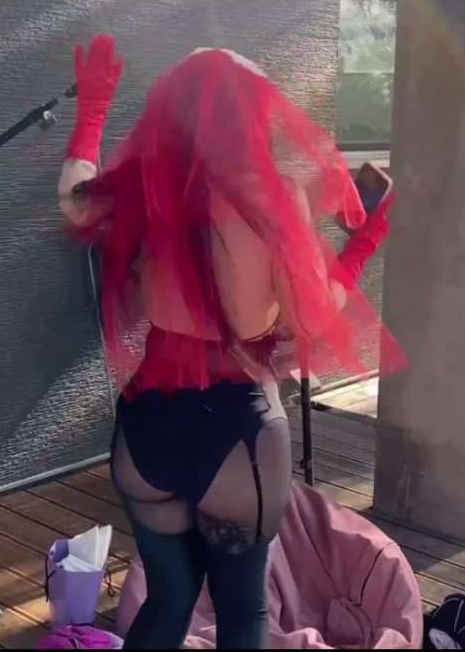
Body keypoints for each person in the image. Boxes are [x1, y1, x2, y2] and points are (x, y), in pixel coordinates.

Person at [58, 36, 398, 649]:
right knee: (245, 614)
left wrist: (93, 112)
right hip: (238, 433)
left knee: (168, 600)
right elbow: (314, 319)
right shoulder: (274, 200)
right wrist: (367, 239)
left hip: (145, 430)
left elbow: (74, 201)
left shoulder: (142, 190)